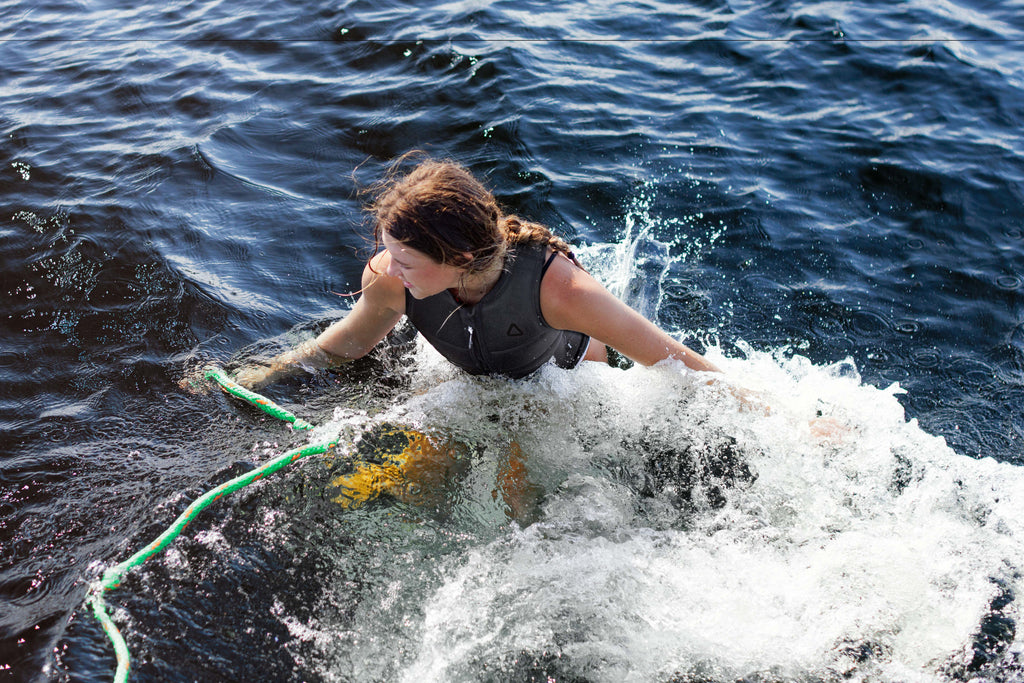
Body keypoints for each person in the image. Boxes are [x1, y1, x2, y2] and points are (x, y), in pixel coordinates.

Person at [229, 156, 721, 390]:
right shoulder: (389, 280)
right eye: (389, 253)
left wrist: (782, 423)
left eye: (405, 259)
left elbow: (681, 364)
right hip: (482, 383)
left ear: (459, 258)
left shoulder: (560, 288)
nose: (389, 268)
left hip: (568, 385)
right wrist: (259, 377)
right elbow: (346, 344)